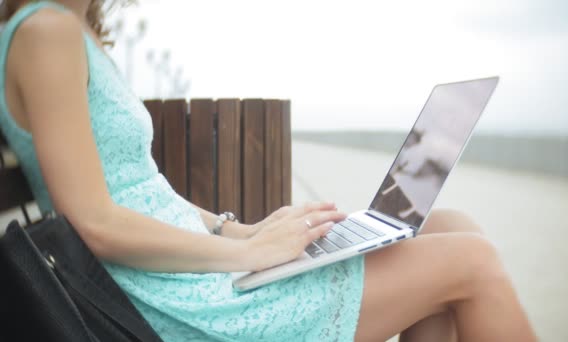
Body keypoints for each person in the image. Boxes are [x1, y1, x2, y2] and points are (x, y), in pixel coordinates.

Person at [0, 1, 537, 341]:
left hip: (192, 270)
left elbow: (142, 187)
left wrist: (246, 230)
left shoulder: (73, 31)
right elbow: (94, 221)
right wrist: (246, 254)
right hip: (173, 300)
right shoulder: (46, 30)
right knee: (473, 261)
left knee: (450, 225)